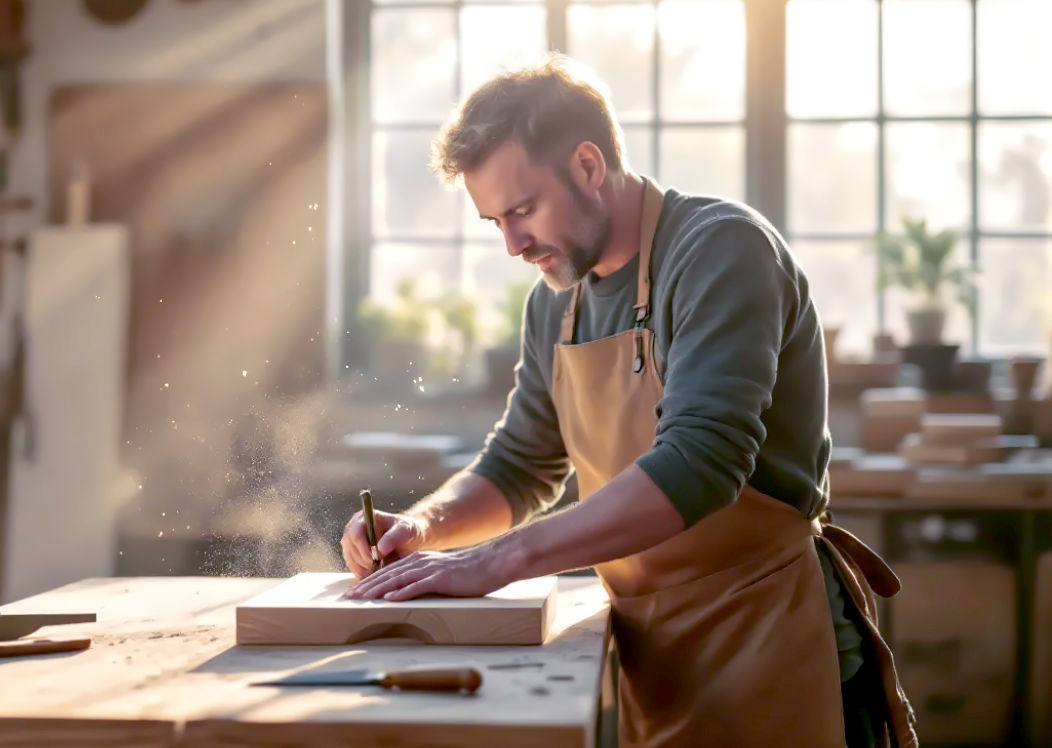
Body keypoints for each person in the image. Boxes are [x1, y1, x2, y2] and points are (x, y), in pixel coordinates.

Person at [340, 55, 917, 747]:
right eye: (495, 221)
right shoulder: (556, 304)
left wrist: (494, 561)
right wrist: (427, 527)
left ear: (588, 165)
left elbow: (700, 463)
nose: (514, 244)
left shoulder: (719, 250)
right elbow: (521, 465)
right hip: (654, 658)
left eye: (523, 210)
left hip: (773, 641)